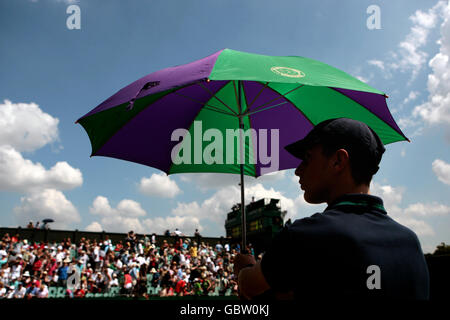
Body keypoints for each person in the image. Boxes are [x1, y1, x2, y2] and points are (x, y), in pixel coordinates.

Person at [233, 118, 430, 300]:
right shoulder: (411, 242)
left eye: (307, 158)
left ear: (338, 161)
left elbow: (249, 286)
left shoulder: (305, 235)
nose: (297, 170)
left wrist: (244, 267)